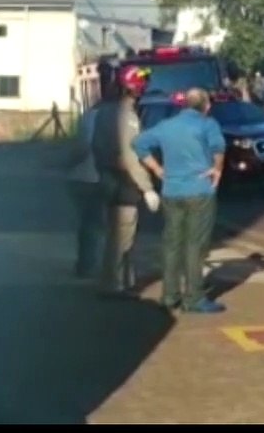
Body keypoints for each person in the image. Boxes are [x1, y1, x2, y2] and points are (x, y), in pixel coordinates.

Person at [132, 87, 227, 314]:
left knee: (172, 243)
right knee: (195, 244)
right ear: (206, 105)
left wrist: (156, 169)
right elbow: (218, 148)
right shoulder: (208, 124)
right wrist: (217, 170)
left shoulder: (166, 126)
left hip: (171, 190)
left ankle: (169, 295)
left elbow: (138, 144)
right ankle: (194, 297)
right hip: (199, 190)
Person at [91, 65, 160, 297]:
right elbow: (131, 157)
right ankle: (113, 284)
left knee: (115, 234)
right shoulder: (127, 115)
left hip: (107, 178)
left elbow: (97, 147)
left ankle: (124, 280)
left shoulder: (104, 111)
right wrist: (148, 188)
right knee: (122, 237)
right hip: (124, 183)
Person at [66, 99, 107, 279]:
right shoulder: (107, 117)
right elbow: (85, 148)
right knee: (95, 223)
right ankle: (91, 264)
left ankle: (85, 263)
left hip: (79, 177)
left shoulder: (88, 117)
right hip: (95, 176)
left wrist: (68, 165)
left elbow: (80, 147)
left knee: (86, 224)